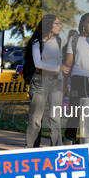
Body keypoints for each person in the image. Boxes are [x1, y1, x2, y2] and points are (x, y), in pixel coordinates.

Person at [25, 14, 70, 148]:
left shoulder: (58, 41)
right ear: (49, 25)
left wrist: (63, 81)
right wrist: (58, 68)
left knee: (55, 118)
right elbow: (38, 64)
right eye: (57, 24)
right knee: (36, 119)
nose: (59, 27)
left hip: (56, 82)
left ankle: (57, 148)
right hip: (40, 82)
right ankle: (30, 148)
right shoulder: (37, 43)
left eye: (60, 24)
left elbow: (58, 61)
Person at [63, 13, 89, 145]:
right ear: (83, 23)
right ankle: (69, 140)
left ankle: (88, 140)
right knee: (75, 111)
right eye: (88, 22)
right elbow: (68, 63)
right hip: (78, 79)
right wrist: (65, 84)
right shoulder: (74, 39)